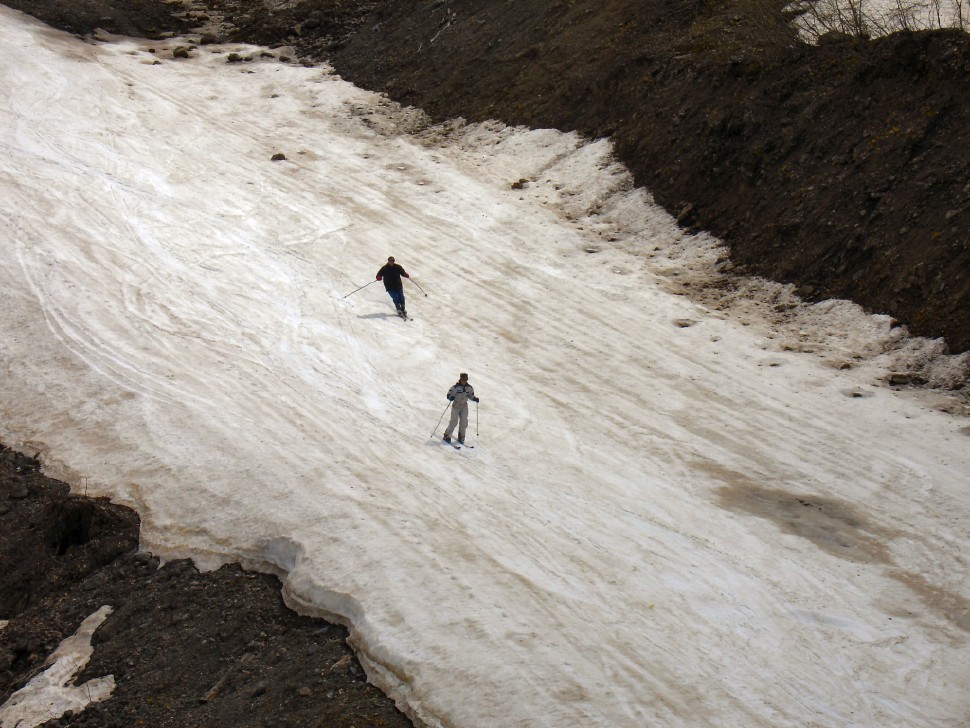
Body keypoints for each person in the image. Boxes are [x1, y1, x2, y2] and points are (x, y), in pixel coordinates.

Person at [443, 373, 480, 444]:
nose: (464, 381)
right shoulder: (455, 387)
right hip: (456, 406)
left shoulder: (469, 388)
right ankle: (447, 435)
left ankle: (461, 436)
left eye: (465, 380)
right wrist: (451, 397)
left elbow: (470, 396)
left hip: (464, 406)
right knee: (454, 421)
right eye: (463, 380)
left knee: (464, 422)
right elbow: (448, 394)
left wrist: (474, 399)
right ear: (460, 379)